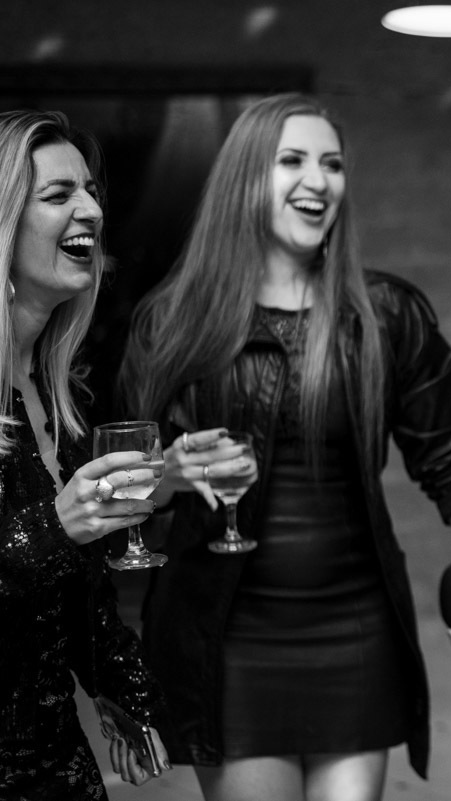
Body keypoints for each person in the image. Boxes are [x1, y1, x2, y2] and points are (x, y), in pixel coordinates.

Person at [116, 94, 451, 801]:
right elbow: (121, 484)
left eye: (332, 163)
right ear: (245, 177)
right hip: (227, 637)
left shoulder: (386, 314)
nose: (319, 180)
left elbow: (444, 453)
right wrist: (169, 473)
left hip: (355, 627)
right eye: (293, 160)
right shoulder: (174, 320)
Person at [0, 109, 170, 799]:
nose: (92, 210)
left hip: (56, 758)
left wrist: (124, 691)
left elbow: (79, 590)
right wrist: (52, 528)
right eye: (58, 194)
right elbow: (43, 548)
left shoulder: (53, 389)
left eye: (92, 191)